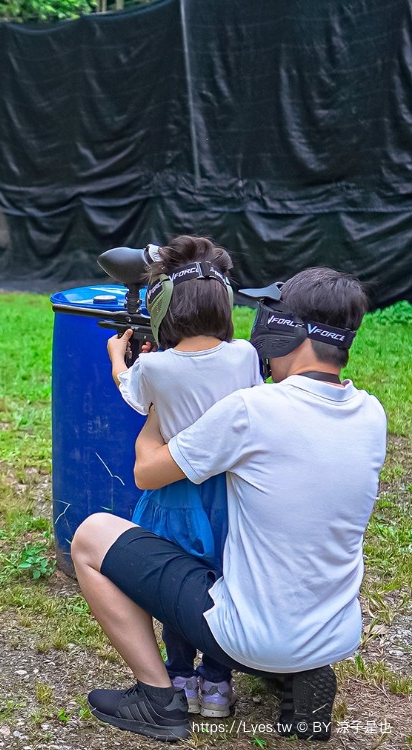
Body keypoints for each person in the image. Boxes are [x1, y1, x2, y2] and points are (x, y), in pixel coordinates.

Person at [71, 267, 387, 742]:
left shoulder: (252, 410)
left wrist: (158, 411)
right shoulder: (372, 413)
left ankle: (158, 698)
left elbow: (147, 471)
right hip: (332, 632)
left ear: (286, 332)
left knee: (91, 535)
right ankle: (299, 671)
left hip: (248, 637)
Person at [106, 235, 263, 719]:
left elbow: (133, 394)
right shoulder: (245, 356)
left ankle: (178, 676)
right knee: (221, 582)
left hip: (173, 491)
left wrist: (118, 355)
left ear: (164, 310)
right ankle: (217, 687)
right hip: (229, 494)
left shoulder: (153, 366)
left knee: (176, 584)